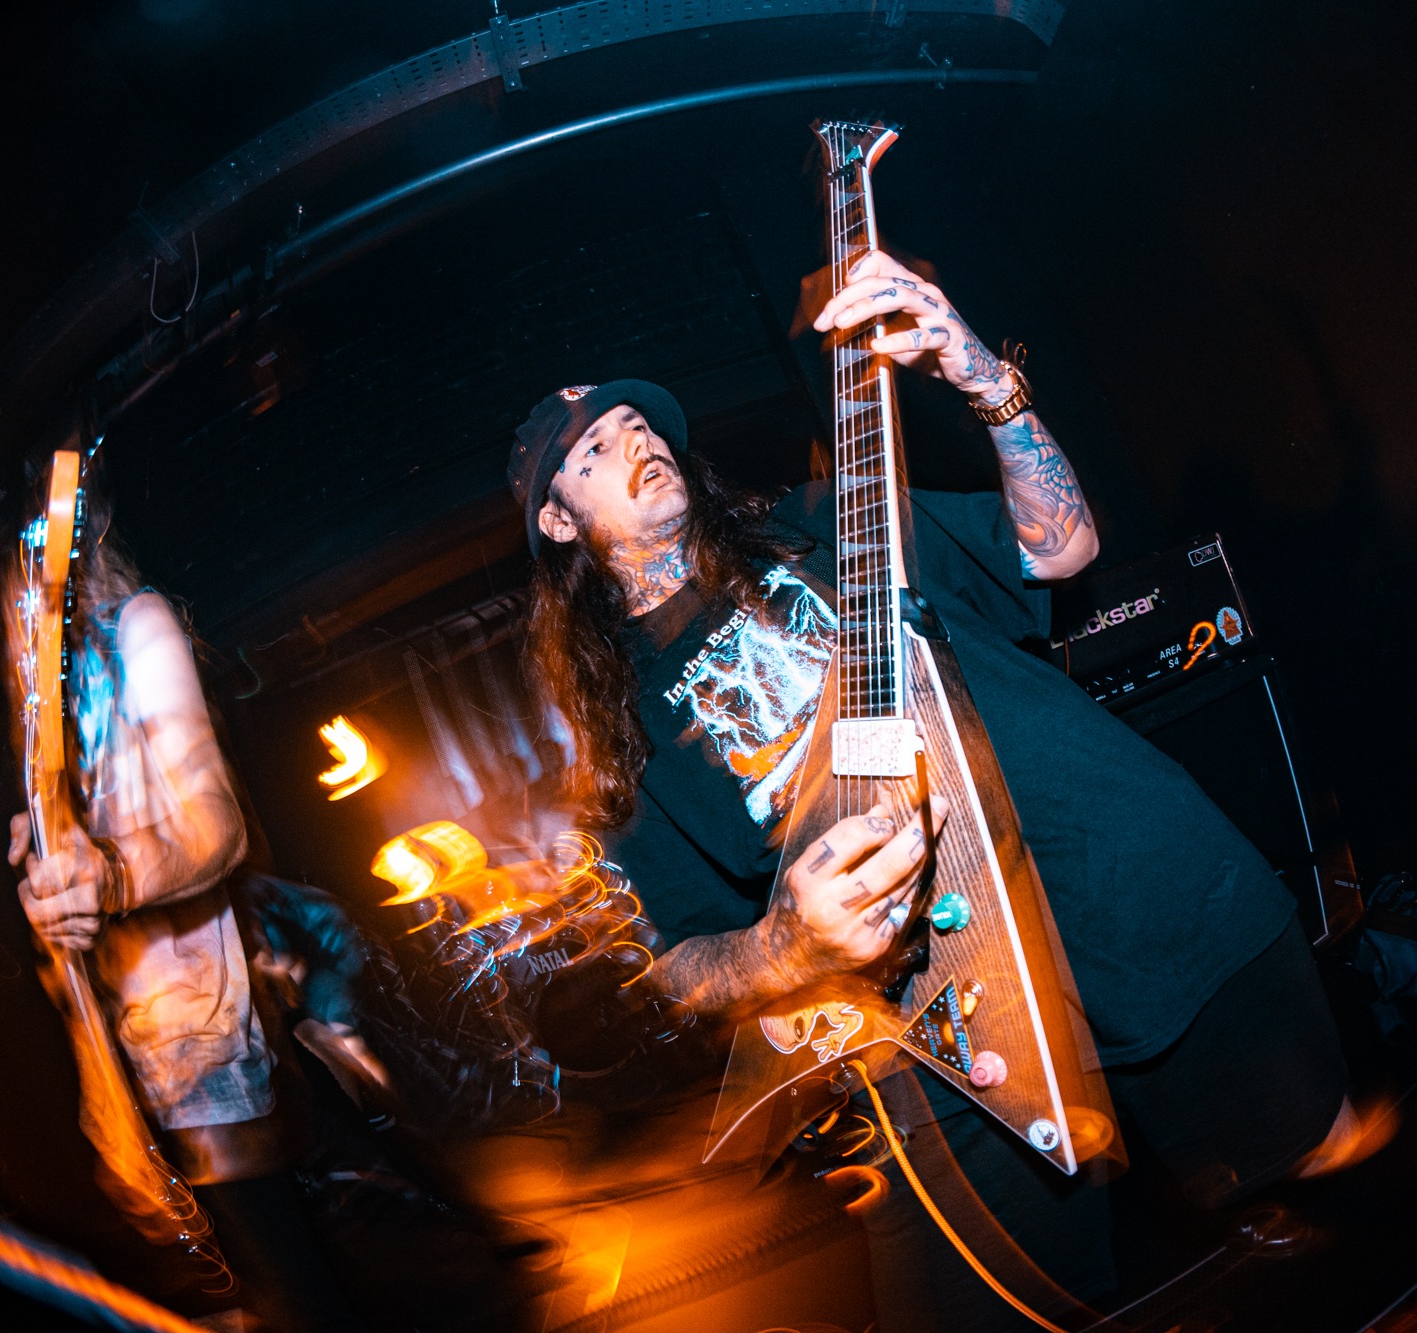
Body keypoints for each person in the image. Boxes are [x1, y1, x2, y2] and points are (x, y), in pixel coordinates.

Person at [508, 251, 1367, 1330]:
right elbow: (682, 964)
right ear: (558, 521)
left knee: (1326, 1200)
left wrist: (982, 378)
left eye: (639, 425)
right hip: (955, 1027)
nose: (634, 442)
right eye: (593, 450)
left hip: (1138, 885)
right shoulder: (623, 737)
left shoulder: (826, 521)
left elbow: (1060, 549)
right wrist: (782, 947)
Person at [6, 475, 362, 1333]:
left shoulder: (138, 625)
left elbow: (216, 824)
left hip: (206, 1050)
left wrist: (111, 874)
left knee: (299, 1295)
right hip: (133, 1062)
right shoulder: (43, 690)